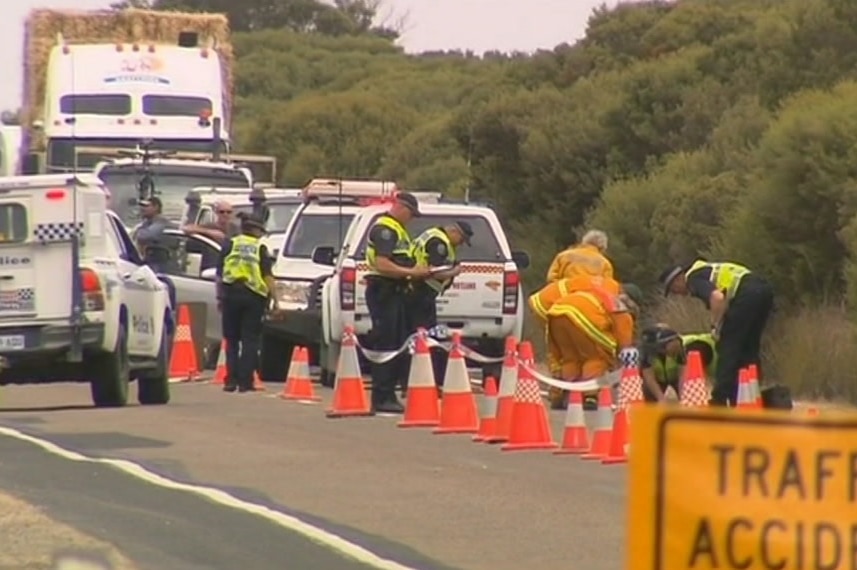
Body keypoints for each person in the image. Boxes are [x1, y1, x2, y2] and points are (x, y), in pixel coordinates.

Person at [659, 259, 774, 406]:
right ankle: (750, 394)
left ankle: (720, 399)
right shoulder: (707, 270)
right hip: (763, 291)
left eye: (674, 290)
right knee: (749, 346)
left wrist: (715, 326)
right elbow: (724, 298)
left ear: (678, 280)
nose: (679, 294)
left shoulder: (693, 278)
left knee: (727, 346)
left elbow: (717, 298)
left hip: (746, 294)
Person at [529, 275, 642, 410]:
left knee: (571, 359)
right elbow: (624, 341)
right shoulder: (620, 304)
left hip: (556, 313)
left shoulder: (598, 288)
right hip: (583, 316)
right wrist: (622, 362)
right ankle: (590, 395)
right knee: (597, 355)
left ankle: (560, 393)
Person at [364, 192, 431, 413]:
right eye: (411, 214)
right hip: (384, 290)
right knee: (387, 344)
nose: (411, 219)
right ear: (401, 207)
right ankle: (381, 396)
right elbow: (383, 264)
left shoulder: (397, 230)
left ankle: (388, 394)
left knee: (397, 342)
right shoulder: (385, 229)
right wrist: (410, 272)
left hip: (395, 291)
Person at [216, 213, 278, 393]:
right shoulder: (259, 248)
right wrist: (276, 301)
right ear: (254, 230)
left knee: (232, 340)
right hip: (254, 297)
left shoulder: (230, 244)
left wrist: (220, 297)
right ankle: (245, 382)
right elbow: (267, 276)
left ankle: (230, 381)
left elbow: (220, 275)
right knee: (250, 340)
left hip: (230, 295)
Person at [411, 220, 475, 388]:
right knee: (426, 336)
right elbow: (434, 271)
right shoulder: (439, 243)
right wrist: (454, 271)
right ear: (454, 231)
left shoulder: (434, 235)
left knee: (423, 336)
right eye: (461, 240)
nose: (460, 245)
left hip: (420, 292)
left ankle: (424, 379)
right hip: (421, 292)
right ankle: (426, 381)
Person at [639, 325, 717, 403]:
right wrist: (661, 398)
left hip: (674, 376)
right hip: (658, 378)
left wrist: (683, 396)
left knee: (687, 393)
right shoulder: (647, 353)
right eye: (672, 349)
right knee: (648, 392)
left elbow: (682, 375)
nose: (675, 350)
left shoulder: (681, 347)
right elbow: (649, 378)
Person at [546, 229, 613, 285]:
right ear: (602, 247)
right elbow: (607, 286)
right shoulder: (605, 263)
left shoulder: (563, 255)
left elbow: (551, 278)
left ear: (584, 241)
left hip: (565, 295)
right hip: (589, 297)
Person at [132, 197, 175, 272]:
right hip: (149, 261)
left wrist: (138, 231)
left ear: (156, 207)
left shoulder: (161, 222)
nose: (143, 209)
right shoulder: (147, 223)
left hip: (160, 263)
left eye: (147, 206)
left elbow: (145, 236)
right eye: (142, 206)